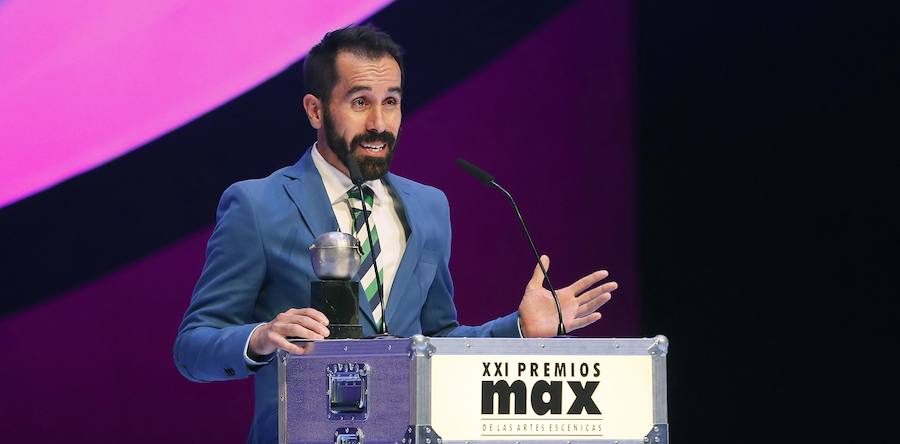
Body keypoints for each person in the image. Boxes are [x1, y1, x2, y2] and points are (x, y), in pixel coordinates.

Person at [173, 25, 618, 443]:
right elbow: (193, 347)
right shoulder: (257, 204)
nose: (379, 123)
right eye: (360, 102)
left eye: (391, 102)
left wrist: (519, 330)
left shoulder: (429, 207)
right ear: (315, 109)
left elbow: (437, 341)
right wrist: (259, 338)